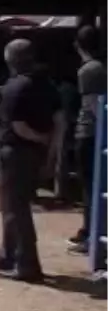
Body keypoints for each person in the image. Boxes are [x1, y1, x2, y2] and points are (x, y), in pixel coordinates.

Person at [0, 39, 63, 283]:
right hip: (34, 153)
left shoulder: (15, 86)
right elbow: (60, 121)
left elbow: (18, 126)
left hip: (16, 151)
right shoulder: (47, 85)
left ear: (9, 60)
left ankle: (27, 263)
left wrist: (39, 138)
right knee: (13, 204)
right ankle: (8, 251)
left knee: (16, 208)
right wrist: (51, 151)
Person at [67, 26, 108, 254]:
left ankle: (91, 235)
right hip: (95, 132)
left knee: (89, 187)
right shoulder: (100, 67)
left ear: (77, 45)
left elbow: (93, 106)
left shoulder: (88, 70)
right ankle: (88, 231)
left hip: (89, 133)